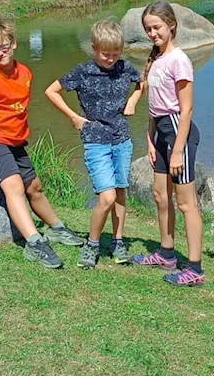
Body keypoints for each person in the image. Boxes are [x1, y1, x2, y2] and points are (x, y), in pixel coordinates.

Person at [0, 21, 86, 269]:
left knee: (34, 187)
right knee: (13, 187)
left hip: (16, 141)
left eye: (3, 47)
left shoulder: (25, 72)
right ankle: (35, 244)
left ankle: (56, 228)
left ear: (13, 43)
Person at [44, 20, 143, 269]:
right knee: (107, 197)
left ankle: (118, 241)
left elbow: (142, 82)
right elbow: (51, 91)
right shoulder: (82, 72)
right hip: (95, 141)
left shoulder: (125, 68)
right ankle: (93, 244)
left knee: (120, 192)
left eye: (115, 53)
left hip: (122, 139)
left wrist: (133, 101)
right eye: (105, 53)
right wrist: (74, 118)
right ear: (94, 47)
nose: (111, 59)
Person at [132, 1, 206, 286]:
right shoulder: (156, 59)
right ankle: (166, 253)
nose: (152, 33)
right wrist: (150, 140)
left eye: (157, 27)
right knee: (160, 195)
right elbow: (154, 106)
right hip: (161, 132)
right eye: (148, 28)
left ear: (171, 25)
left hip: (179, 133)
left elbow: (185, 110)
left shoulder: (180, 60)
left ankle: (195, 268)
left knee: (186, 203)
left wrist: (177, 151)